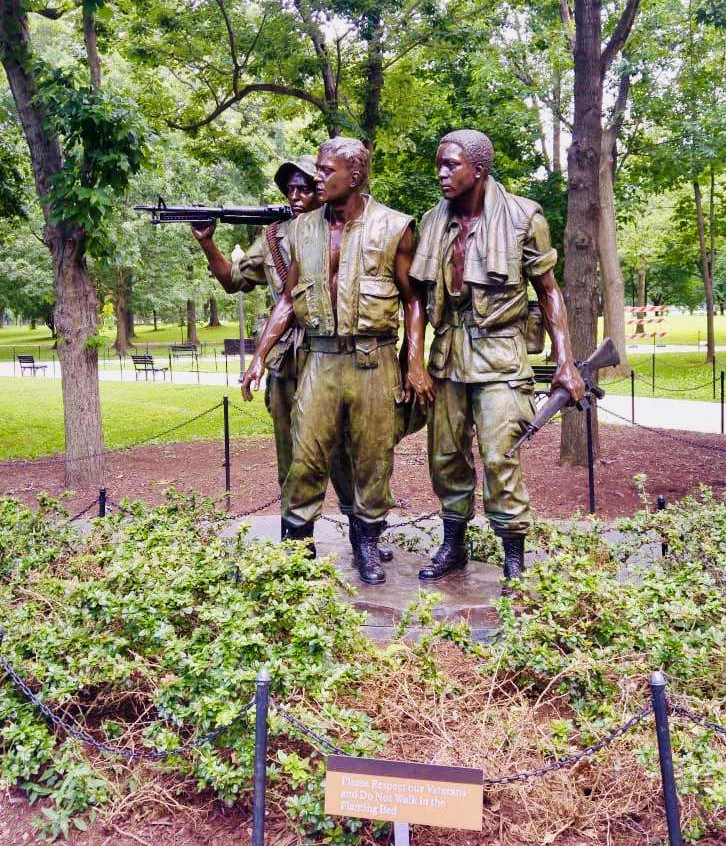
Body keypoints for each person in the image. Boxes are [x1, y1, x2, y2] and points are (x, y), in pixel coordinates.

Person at [243, 136, 433, 585]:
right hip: (320, 359)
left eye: (327, 171)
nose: (318, 178)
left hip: (374, 359)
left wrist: (414, 362)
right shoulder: (301, 229)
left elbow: (413, 301)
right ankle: (296, 550)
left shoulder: (393, 227)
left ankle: (365, 544)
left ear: (356, 175)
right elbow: (289, 300)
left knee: (371, 458)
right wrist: (258, 356)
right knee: (305, 457)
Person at [191, 157, 393, 560]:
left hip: (337, 356)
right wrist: (207, 242)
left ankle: (363, 536)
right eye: (290, 188)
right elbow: (233, 281)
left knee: (350, 454)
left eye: (305, 187)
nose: (295, 195)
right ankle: (299, 544)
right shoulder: (273, 238)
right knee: (295, 455)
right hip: (288, 361)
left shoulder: (351, 231)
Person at [410, 128, 585, 582]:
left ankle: (514, 559)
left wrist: (565, 359)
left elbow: (549, 293)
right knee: (445, 456)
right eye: (439, 165)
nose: (442, 173)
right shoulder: (432, 222)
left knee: (500, 457)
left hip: (500, 357)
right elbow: (416, 296)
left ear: (479, 170)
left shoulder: (525, 217)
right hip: (447, 352)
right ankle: (453, 546)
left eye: (451, 165)